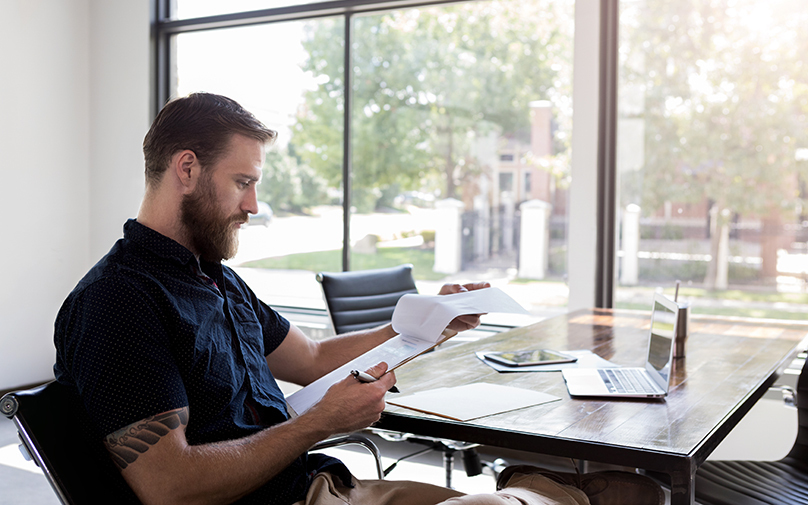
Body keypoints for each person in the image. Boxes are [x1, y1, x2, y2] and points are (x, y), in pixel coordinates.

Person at [53, 92, 664, 505]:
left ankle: (533, 488)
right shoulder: (117, 302)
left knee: (619, 490)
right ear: (185, 169)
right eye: (243, 182)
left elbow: (315, 358)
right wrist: (318, 423)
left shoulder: (212, 278)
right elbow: (169, 487)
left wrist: (434, 325)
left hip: (322, 488)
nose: (253, 205)